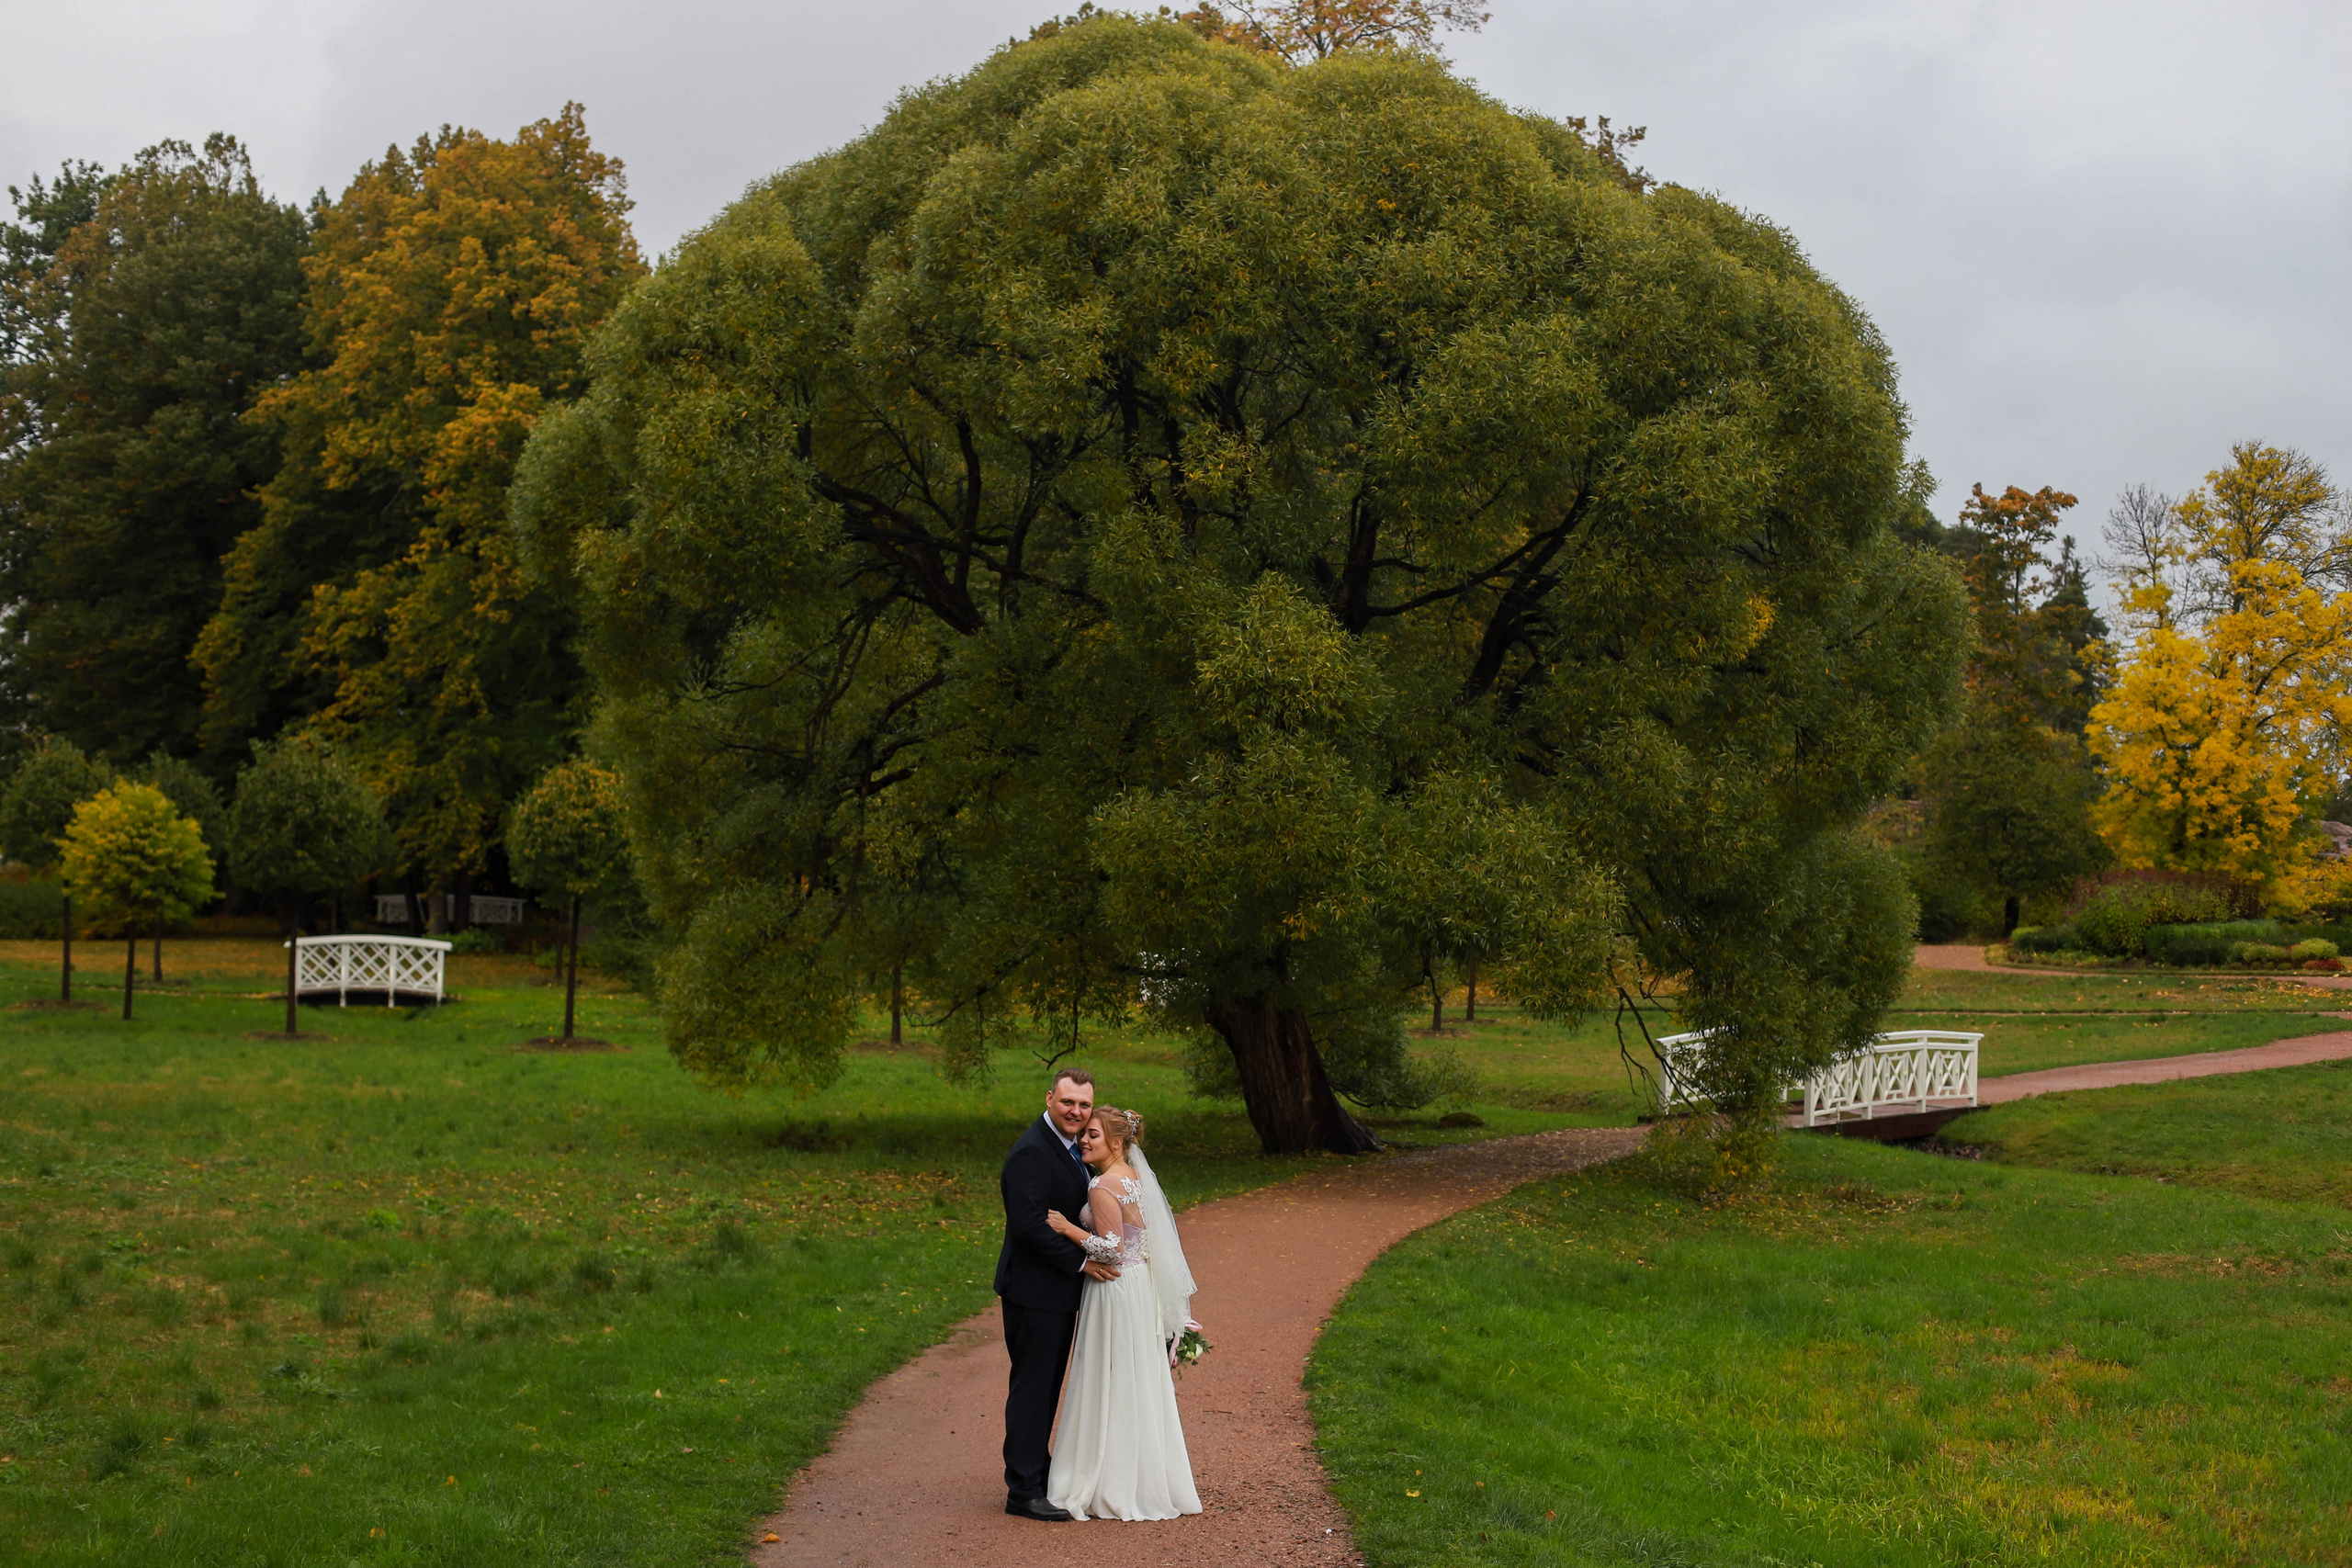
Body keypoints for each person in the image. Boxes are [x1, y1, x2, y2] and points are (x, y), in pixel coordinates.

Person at [1041, 1104, 1203, 1522]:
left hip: (1112, 1286)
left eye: (1092, 1134)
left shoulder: (1102, 1185)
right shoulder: (1134, 1178)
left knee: (1108, 1376)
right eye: (1083, 1134)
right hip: (1136, 1287)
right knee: (1134, 1379)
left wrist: (1069, 1229)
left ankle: (1107, 1479)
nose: (1083, 1140)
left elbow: (1111, 1247)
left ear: (1116, 1143)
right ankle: (1144, 1477)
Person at [995, 1068, 1119, 1521]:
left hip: (1057, 1291)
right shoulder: (1030, 1153)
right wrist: (1084, 1262)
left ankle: (1038, 1472)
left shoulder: (1073, 1149)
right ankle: (1023, 1489)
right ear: (1050, 1098)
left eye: (1084, 1105)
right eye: (1068, 1102)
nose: (1076, 1112)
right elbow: (1028, 1228)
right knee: (1033, 1388)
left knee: (1047, 1386)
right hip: (1033, 1291)